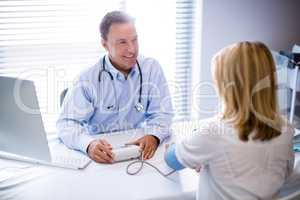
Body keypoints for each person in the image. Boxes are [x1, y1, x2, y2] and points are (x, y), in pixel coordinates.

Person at [164, 41, 295, 200]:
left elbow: (173, 160)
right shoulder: (286, 130)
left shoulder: (215, 132)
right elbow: (285, 172)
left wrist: (176, 145)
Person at [57, 11, 173, 163]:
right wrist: (88, 145)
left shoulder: (151, 68)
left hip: (136, 153)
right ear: (104, 44)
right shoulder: (87, 79)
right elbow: (67, 124)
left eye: (135, 40)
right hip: (102, 155)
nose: (132, 49)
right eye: (122, 42)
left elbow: (163, 113)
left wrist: (153, 136)